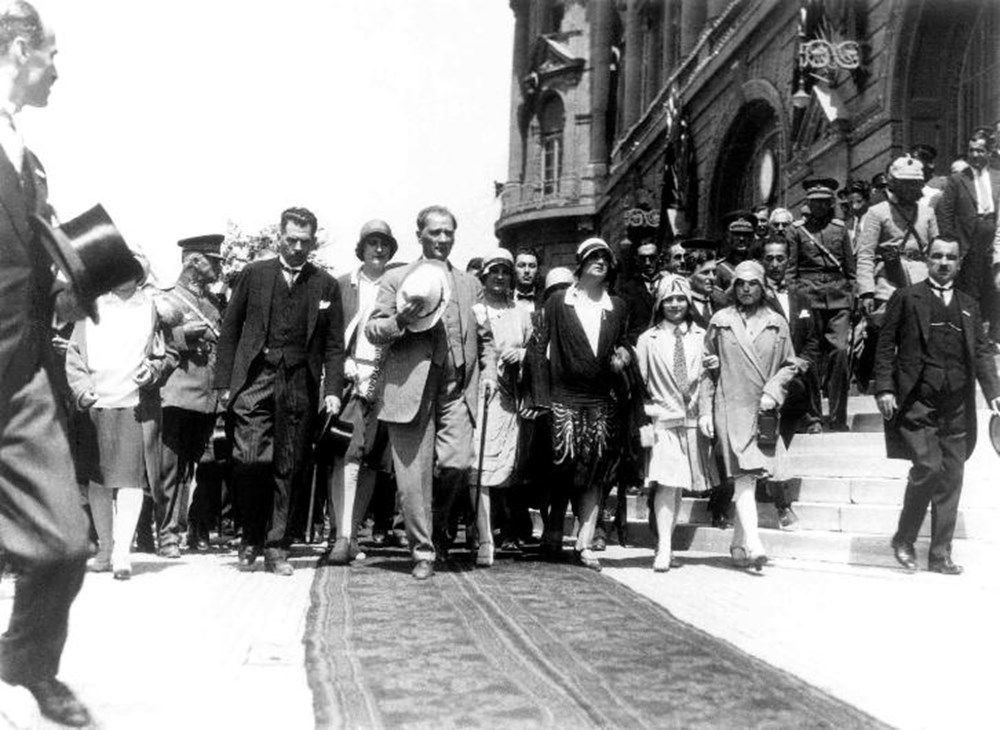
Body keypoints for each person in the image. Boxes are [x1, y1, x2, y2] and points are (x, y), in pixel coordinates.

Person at [0, 4, 93, 723]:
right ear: (22, 48)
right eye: (53, 56)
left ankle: (27, 658)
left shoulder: (24, 155)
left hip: (21, 373)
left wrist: (70, 278)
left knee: (65, 541)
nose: (58, 72)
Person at [365, 205, 496, 580]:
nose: (442, 239)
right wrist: (400, 320)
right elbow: (374, 330)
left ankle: (438, 528)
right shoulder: (396, 278)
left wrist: (487, 372)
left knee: (456, 463)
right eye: (434, 232)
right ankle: (422, 551)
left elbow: (484, 337)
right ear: (419, 234)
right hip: (410, 386)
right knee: (412, 478)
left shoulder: (470, 284)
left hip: (457, 387)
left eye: (448, 233)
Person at [215, 207, 345, 577]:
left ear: (313, 242)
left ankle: (276, 547)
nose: (297, 248)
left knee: (289, 465)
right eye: (291, 240)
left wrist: (332, 388)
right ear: (279, 238)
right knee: (249, 460)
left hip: (300, 383)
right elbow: (230, 329)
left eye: (305, 242)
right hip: (256, 377)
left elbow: (335, 344)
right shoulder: (254, 274)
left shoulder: (325, 284)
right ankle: (250, 535)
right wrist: (224, 384)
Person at [875, 238, 1000, 574]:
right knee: (928, 467)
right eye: (937, 256)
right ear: (927, 260)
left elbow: (983, 352)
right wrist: (885, 388)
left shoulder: (969, 304)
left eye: (951, 257)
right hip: (918, 398)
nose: (944, 263)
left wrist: (995, 394)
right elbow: (886, 346)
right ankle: (904, 537)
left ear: (959, 264)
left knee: (952, 476)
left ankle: (940, 554)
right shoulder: (906, 297)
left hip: (957, 403)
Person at [66, 255, 177, 580]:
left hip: (134, 406)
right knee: (99, 482)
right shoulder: (92, 306)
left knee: (129, 482)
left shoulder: (153, 307)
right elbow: (74, 355)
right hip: (96, 403)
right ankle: (104, 548)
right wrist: (82, 388)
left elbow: (170, 353)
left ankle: (122, 553)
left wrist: (154, 370)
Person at [532, 237, 630, 572]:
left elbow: (623, 344)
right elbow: (538, 347)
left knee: (595, 475)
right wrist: (540, 397)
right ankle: (554, 528)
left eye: (605, 257)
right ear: (581, 262)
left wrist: (623, 356)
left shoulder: (616, 306)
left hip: (600, 401)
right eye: (594, 256)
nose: (600, 261)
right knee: (562, 469)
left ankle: (584, 542)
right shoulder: (559, 302)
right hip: (563, 399)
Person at [699, 260, 798, 571]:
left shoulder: (777, 324)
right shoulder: (720, 321)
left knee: (751, 477)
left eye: (752, 282)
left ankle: (738, 544)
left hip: (763, 409)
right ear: (732, 287)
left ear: (763, 287)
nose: (745, 288)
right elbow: (706, 369)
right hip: (729, 406)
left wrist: (774, 390)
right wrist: (704, 409)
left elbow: (790, 365)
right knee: (744, 474)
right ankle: (754, 544)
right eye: (740, 282)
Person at [321, 219, 397, 565]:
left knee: (370, 461)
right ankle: (341, 535)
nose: (378, 250)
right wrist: (340, 369)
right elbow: (330, 337)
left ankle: (351, 532)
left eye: (384, 244)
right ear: (362, 248)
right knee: (346, 455)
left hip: (386, 381)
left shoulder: (398, 286)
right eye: (372, 243)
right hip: (351, 379)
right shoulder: (342, 286)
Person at [635, 274, 716, 571]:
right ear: (660, 303)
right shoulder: (648, 339)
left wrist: (706, 412)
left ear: (689, 301)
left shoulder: (702, 336)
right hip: (662, 420)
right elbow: (639, 382)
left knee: (679, 485)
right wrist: (645, 415)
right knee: (667, 483)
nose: (675, 304)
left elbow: (707, 381)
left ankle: (664, 543)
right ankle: (664, 550)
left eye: (681, 298)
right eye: (669, 299)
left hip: (692, 420)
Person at [153, 234, 224, 557]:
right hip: (177, 393)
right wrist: (181, 336)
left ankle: (196, 529)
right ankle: (166, 534)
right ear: (193, 262)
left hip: (207, 397)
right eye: (214, 260)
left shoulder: (213, 305)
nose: (219, 266)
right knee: (169, 469)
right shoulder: (164, 298)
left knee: (204, 466)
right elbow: (151, 339)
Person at [468, 249, 533, 566]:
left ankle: (507, 531)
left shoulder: (521, 312)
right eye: (494, 271)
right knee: (476, 466)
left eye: (505, 272)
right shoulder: (474, 310)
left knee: (506, 469)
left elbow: (537, 353)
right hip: (478, 397)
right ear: (484, 275)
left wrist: (521, 355)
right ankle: (483, 537)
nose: (500, 277)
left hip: (510, 401)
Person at [761, 237, 822, 527]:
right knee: (771, 440)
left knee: (778, 438)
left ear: (788, 260)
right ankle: (782, 506)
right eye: (769, 258)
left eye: (780, 258)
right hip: (766, 381)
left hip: (795, 383)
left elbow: (812, 337)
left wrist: (803, 363)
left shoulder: (801, 295)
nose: (775, 264)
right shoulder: (755, 294)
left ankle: (767, 478)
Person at [785, 178, 855, 431]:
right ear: (808, 204)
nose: (819, 208)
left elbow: (850, 269)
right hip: (807, 299)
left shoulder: (839, 229)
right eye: (814, 203)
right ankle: (813, 416)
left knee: (840, 352)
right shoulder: (796, 230)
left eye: (824, 203)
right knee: (811, 355)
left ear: (830, 204)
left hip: (838, 298)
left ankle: (838, 417)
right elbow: (790, 270)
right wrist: (795, 299)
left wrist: (853, 297)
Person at [856, 155, 939, 315]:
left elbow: (936, 252)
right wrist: (867, 292)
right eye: (904, 183)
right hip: (888, 282)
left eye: (914, 183)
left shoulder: (927, 213)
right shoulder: (877, 212)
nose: (910, 188)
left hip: (921, 279)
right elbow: (866, 255)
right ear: (893, 184)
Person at [939, 129, 1000, 340]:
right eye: (971, 150)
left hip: (992, 240)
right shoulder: (957, 180)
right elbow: (945, 213)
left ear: (990, 153)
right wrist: (950, 244)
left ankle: (993, 337)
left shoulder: (997, 178)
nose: (974, 155)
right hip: (968, 242)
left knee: (993, 289)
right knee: (970, 291)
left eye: (980, 151)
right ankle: (969, 337)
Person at [618, 240, 661, 345]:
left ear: (659, 258)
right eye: (643, 258)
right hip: (639, 345)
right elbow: (624, 325)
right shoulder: (628, 289)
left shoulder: (668, 283)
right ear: (636, 260)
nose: (647, 263)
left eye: (652, 258)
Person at [715, 211, 758, 291]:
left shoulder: (758, 267)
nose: (741, 239)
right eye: (737, 234)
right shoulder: (720, 269)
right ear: (728, 237)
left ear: (752, 238)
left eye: (746, 234)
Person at [512, 245, 541, 315]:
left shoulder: (543, 302)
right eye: (521, 265)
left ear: (538, 270)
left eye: (532, 266)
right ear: (514, 269)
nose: (527, 271)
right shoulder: (504, 299)